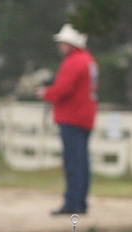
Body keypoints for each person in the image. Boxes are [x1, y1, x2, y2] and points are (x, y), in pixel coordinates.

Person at [37, 24, 98, 216]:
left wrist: (46, 93)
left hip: (72, 116)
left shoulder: (74, 62)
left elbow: (63, 89)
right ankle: (80, 201)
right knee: (81, 161)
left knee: (73, 162)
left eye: (63, 43)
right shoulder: (89, 61)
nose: (60, 47)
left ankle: (73, 202)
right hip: (85, 116)